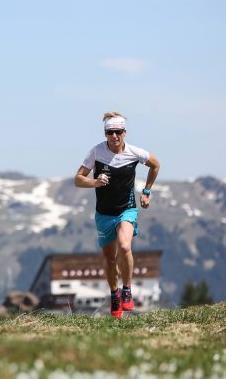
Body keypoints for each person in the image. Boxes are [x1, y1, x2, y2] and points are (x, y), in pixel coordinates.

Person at [74, 111, 160, 318]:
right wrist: (95, 182)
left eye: (118, 132)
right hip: (104, 214)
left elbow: (155, 165)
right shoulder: (96, 152)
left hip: (126, 209)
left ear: (124, 133)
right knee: (110, 260)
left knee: (124, 245)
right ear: (105, 134)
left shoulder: (134, 152)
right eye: (110, 132)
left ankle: (127, 289)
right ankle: (115, 294)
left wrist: (147, 191)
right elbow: (78, 179)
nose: (114, 136)